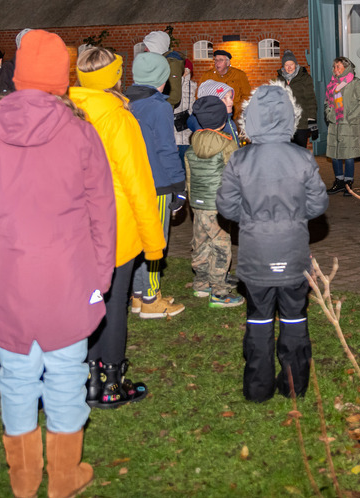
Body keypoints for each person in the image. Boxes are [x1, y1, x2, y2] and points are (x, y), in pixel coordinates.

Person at [0, 30, 115, 498]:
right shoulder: (80, 132)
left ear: (18, 76)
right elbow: (102, 211)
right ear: (61, 78)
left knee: (17, 378)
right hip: (69, 276)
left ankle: (25, 480)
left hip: (11, 276)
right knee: (67, 374)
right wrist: (100, 276)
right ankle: (63, 478)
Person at [217, 82, 329, 402]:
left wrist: (251, 219)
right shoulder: (302, 157)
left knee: (258, 319)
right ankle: (295, 385)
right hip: (292, 252)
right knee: (294, 317)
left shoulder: (240, 159)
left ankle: (258, 387)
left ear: (251, 117)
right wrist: (294, 217)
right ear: (290, 115)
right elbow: (318, 204)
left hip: (256, 252)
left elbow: (225, 205)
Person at [69, 47, 167, 408]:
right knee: (112, 303)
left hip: (76, 225)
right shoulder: (118, 118)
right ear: (114, 77)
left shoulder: (66, 112)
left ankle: (88, 377)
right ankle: (111, 381)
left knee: (88, 300)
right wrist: (153, 241)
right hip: (114, 227)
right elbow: (137, 183)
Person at [125, 53, 187, 319]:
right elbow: (166, 148)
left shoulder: (126, 103)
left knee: (138, 240)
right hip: (158, 184)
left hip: (133, 182)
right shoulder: (159, 106)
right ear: (162, 78)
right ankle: (151, 298)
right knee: (155, 241)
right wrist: (179, 185)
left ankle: (138, 295)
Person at [185, 96, 244, 307]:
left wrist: (192, 200)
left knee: (200, 242)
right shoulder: (227, 144)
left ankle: (202, 283)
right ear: (222, 119)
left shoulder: (193, 144)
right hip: (219, 204)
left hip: (198, 204)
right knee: (221, 245)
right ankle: (219, 290)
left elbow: (189, 176)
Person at [324, 56, 360, 196]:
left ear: (346, 67)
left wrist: (351, 117)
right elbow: (327, 101)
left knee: (349, 155)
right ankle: (339, 182)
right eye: (334, 66)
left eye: (338, 66)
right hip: (335, 124)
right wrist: (329, 113)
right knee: (335, 154)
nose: (335, 69)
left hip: (349, 125)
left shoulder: (355, 83)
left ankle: (348, 183)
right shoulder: (332, 83)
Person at [276, 50, 318, 148]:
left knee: (300, 151)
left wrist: (312, 120)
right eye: (286, 65)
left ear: (295, 64)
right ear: (283, 66)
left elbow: (311, 99)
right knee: (287, 152)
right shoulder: (280, 79)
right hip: (285, 124)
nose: (289, 67)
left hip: (301, 123)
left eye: (291, 64)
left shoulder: (304, 78)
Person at [198, 49, 252, 120]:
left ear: (228, 63)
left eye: (221, 60)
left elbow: (247, 96)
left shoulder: (239, 75)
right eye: (216, 60)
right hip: (213, 116)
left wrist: (235, 109)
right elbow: (199, 95)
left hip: (234, 116)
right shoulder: (207, 76)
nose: (217, 63)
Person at [191, 80, 241, 145]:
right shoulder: (212, 125)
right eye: (224, 98)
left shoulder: (228, 119)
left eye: (231, 97)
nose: (231, 102)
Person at [173, 60, 197, 166]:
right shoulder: (174, 86)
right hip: (175, 133)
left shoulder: (194, 86)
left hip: (188, 132)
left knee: (186, 164)